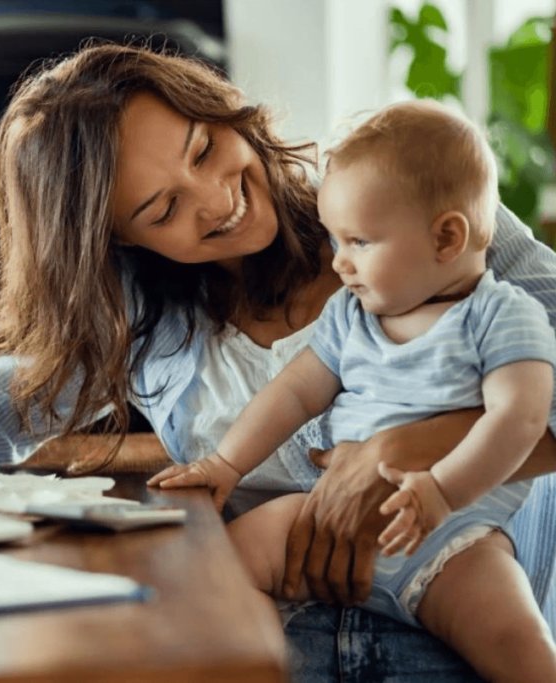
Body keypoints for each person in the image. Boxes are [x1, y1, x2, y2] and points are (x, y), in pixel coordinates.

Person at [0, 43, 556, 680]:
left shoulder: (406, 208)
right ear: (122, 240)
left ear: (221, 109)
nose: (217, 200)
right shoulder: (143, 311)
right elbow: (2, 402)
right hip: (277, 634)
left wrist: (403, 446)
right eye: (162, 209)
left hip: (458, 624)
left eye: (204, 148)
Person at [147, 99, 556, 682]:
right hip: (319, 518)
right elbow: (293, 393)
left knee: (519, 642)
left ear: (446, 238)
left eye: (358, 242)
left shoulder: (502, 317)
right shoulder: (352, 316)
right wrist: (224, 462)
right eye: (335, 241)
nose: (338, 263)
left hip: (454, 538)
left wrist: (439, 490)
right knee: (216, 568)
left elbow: (519, 419)